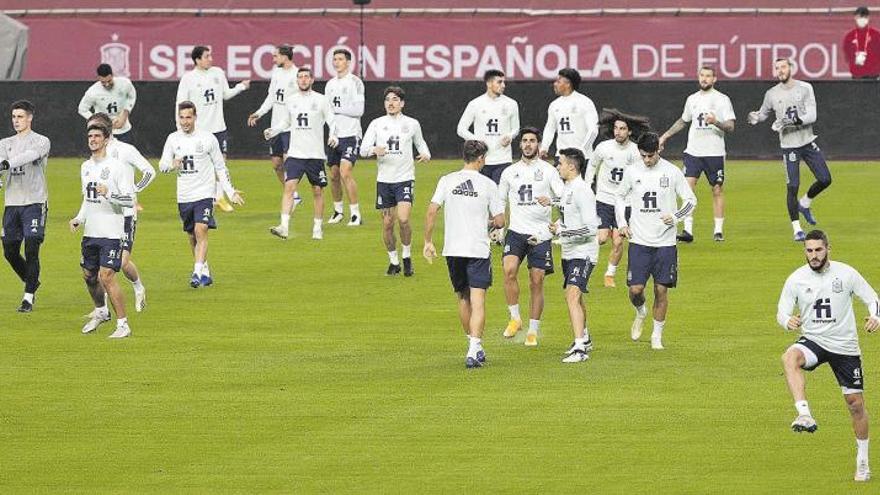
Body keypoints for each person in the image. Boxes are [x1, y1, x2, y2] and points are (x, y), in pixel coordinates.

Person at [777, 229, 880, 482]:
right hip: (814, 340)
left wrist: (876, 316)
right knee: (789, 357)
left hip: (844, 346)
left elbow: (872, 298)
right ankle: (804, 413)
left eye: (818, 250)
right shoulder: (796, 279)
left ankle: (863, 461)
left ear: (828, 249)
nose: (814, 255)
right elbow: (781, 311)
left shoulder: (846, 274)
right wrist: (787, 321)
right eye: (809, 251)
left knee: (855, 405)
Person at [423, 140, 504, 369]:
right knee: (478, 301)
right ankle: (474, 348)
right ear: (480, 159)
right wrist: (487, 222)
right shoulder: (488, 184)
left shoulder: (447, 180)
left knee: (463, 298)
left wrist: (428, 242)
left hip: (453, 249)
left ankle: (473, 346)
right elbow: (500, 221)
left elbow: (431, 211)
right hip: (477, 249)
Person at [615, 132, 696, 350]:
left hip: (665, 243)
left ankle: (656, 336)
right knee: (636, 290)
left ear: (658, 151)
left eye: (651, 155)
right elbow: (619, 197)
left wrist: (676, 216)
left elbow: (691, 200)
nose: (647, 160)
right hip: (640, 241)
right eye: (643, 156)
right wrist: (622, 222)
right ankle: (640, 311)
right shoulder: (632, 172)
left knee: (661, 290)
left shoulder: (671, 172)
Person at [159, 101, 244, 288]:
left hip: (205, 193)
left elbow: (220, 167)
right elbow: (162, 166)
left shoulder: (208, 139)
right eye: (182, 117)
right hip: (184, 195)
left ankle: (196, 273)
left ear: (195, 117)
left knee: (201, 230)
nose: (185, 121)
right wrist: (172, 165)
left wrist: (230, 192)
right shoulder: (173, 139)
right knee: (192, 236)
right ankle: (204, 270)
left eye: (188, 117)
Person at [748, 58, 831, 242]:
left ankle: (805, 203)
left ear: (791, 68)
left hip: (807, 141)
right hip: (789, 146)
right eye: (777, 68)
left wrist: (791, 121)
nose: (780, 70)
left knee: (825, 179)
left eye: (783, 67)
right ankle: (797, 229)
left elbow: (812, 115)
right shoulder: (771, 94)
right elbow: (763, 114)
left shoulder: (805, 88)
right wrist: (755, 117)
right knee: (792, 186)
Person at [498, 127, 564, 346]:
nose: (528, 144)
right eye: (525, 140)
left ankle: (533, 330)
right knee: (508, 271)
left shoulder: (548, 171)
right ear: (520, 145)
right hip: (516, 231)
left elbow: (564, 197)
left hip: (541, 233)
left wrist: (552, 202)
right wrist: (499, 225)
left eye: (532, 141)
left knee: (537, 281)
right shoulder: (509, 172)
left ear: (538, 145)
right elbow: (500, 201)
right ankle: (515, 318)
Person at [70, 123, 134, 338]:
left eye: (97, 136)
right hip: (91, 232)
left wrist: (110, 194)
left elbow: (129, 200)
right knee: (89, 275)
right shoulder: (85, 167)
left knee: (106, 276)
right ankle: (101, 311)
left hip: (112, 233)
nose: (93, 139)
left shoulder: (118, 167)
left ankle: (123, 324)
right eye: (90, 135)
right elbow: (87, 199)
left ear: (106, 139)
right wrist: (79, 218)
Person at [86, 113, 155, 312]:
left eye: (96, 130)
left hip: (124, 213)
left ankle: (138, 286)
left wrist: (134, 190)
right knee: (103, 267)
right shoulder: (94, 157)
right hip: (103, 216)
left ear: (107, 131)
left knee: (121, 263)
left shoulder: (125, 150)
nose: (92, 137)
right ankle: (103, 308)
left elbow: (149, 171)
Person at [659, 66, 735, 243]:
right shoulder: (692, 99)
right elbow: (683, 121)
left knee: (717, 189)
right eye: (702, 75)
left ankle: (718, 230)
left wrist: (716, 122)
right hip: (693, 151)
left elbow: (731, 127)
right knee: (687, 188)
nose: (705, 79)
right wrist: (665, 136)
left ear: (714, 79)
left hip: (714, 152)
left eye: (708, 76)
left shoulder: (722, 100)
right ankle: (687, 230)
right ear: (698, 77)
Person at [361, 86, 430, 276]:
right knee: (387, 224)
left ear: (402, 103)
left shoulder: (412, 124)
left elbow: (420, 143)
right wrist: (374, 150)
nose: (391, 103)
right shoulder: (376, 124)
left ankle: (407, 257)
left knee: (404, 218)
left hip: (404, 178)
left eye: (395, 100)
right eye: (388, 100)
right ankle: (394, 261)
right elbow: (363, 149)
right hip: (384, 181)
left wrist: (426, 154)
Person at [175, 45, 250, 212]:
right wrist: (180, 129)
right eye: (207, 56)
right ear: (197, 60)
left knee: (221, 163)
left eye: (210, 55)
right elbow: (180, 104)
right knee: (201, 166)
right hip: (200, 130)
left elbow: (226, 94)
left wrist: (241, 87)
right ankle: (203, 197)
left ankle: (219, 197)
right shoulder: (188, 78)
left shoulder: (218, 73)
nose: (211, 58)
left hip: (219, 127)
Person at [265, 66, 335, 241]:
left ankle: (317, 227)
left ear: (312, 80)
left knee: (317, 191)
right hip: (296, 153)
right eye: (300, 77)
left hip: (315, 154)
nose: (303, 80)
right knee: (289, 187)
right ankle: (284, 227)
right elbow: (286, 122)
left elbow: (332, 120)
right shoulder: (291, 100)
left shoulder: (321, 100)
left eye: (306, 77)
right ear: (297, 81)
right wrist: (273, 130)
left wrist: (334, 135)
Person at [549, 148, 599, 363]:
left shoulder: (582, 191)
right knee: (576, 296)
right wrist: (558, 226)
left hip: (584, 252)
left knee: (572, 295)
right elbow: (570, 218)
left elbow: (591, 228)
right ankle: (585, 338)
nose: (557, 166)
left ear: (571, 166)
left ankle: (580, 349)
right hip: (569, 251)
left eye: (560, 163)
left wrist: (563, 232)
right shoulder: (568, 189)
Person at [0, 100, 50, 313]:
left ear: (30, 117)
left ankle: (28, 297)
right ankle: (32, 279)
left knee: (31, 246)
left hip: (34, 202)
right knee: (10, 252)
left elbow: (28, 157)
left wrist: (6, 164)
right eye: (13, 117)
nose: (16, 121)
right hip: (12, 203)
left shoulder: (41, 141)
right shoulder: (5, 142)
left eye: (20, 117)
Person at [587, 112, 644, 288]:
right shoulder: (604, 147)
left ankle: (609, 274)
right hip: (604, 199)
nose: (618, 132)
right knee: (602, 238)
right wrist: (588, 184)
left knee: (618, 241)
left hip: (625, 202)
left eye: (622, 129)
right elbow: (593, 165)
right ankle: (585, 265)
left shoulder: (635, 152)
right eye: (616, 128)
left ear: (629, 132)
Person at [246, 44, 302, 205]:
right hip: (275, 127)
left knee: (288, 160)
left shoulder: (297, 75)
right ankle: (293, 194)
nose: (273, 59)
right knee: (277, 165)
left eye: (275, 56)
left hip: (290, 127)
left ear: (285, 57)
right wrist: (259, 113)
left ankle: (291, 196)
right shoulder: (277, 73)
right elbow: (271, 97)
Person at [456, 69, 520, 184]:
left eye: (504, 82)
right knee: (481, 197)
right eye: (499, 82)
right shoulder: (475, 104)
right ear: (489, 84)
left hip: (503, 159)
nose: (503, 85)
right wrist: (477, 141)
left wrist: (510, 136)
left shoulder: (511, 104)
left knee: (499, 197)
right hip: (480, 159)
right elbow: (461, 129)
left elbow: (516, 128)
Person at [324, 48, 365, 226]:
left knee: (345, 172)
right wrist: (332, 133)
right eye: (334, 59)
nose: (336, 62)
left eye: (340, 59)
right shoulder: (330, 84)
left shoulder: (355, 82)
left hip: (350, 135)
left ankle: (355, 213)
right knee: (333, 175)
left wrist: (337, 110)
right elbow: (327, 113)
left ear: (348, 62)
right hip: (335, 136)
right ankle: (338, 211)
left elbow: (359, 111)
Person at [540, 68, 599, 165]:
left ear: (568, 84)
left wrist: (582, 151)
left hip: (583, 158)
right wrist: (544, 147)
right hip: (561, 157)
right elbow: (550, 128)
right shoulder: (554, 105)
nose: (555, 84)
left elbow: (593, 130)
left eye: (558, 81)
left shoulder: (585, 102)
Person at [77, 64, 138, 145]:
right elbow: (82, 109)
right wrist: (99, 122)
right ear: (98, 78)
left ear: (112, 75)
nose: (107, 85)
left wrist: (125, 114)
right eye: (103, 82)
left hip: (124, 131)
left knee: (126, 157)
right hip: (104, 134)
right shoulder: (93, 91)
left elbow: (131, 96)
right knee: (106, 157)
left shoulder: (125, 83)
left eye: (109, 81)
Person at [843, 7, 880, 79]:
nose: (861, 20)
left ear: (868, 18)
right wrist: (855, 58)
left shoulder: (876, 35)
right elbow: (847, 54)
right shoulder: (849, 36)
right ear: (855, 18)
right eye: (859, 17)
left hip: (873, 75)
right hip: (856, 75)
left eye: (864, 17)